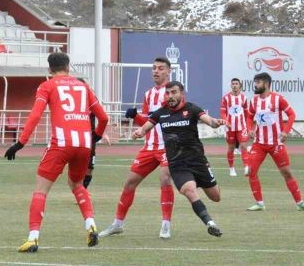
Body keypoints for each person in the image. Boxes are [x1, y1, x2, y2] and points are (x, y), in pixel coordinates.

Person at [4, 52, 109, 253]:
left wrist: (20, 143)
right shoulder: (83, 86)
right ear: (69, 67)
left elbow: (35, 115)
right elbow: (103, 117)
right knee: (77, 184)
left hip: (61, 143)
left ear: (49, 70)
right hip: (84, 144)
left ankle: (33, 238)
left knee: (41, 190)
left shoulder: (47, 86)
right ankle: (91, 225)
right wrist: (95, 136)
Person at [133, 81, 225, 238]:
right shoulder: (161, 113)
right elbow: (145, 127)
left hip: (198, 161)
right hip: (177, 165)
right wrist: (139, 132)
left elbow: (209, 120)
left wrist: (217, 123)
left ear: (182, 94)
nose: (170, 96)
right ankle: (210, 223)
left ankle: (200, 181)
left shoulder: (192, 109)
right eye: (167, 93)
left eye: (174, 92)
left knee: (216, 197)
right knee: (190, 191)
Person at [99, 57, 176, 240]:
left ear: (168, 71)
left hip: (168, 146)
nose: (156, 71)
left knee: (165, 179)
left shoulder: (173, 92)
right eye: (154, 68)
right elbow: (148, 121)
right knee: (130, 182)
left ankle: (166, 224)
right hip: (149, 146)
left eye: (160, 68)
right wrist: (135, 117)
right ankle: (118, 223)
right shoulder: (149, 94)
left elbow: (169, 117)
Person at [244, 72, 304, 212]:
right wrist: (250, 129)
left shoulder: (278, 99)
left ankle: (300, 203)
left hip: (276, 143)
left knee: (286, 172)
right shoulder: (253, 101)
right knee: (252, 171)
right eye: (255, 82)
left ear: (265, 84)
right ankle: (259, 203)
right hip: (259, 144)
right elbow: (249, 116)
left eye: (258, 82)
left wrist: (285, 131)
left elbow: (292, 114)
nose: (255, 85)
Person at [221, 78, 251, 177]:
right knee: (231, 148)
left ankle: (246, 167)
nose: (234, 85)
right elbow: (223, 112)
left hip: (241, 127)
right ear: (231, 85)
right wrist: (226, 121)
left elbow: (247, 114)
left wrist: (248, 126)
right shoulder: (226, 98)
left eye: (236, 84)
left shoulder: (244, 98)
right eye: (233, 84)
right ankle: (232, 169)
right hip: (230, 127)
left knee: (243, 146)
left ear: (240, 85)